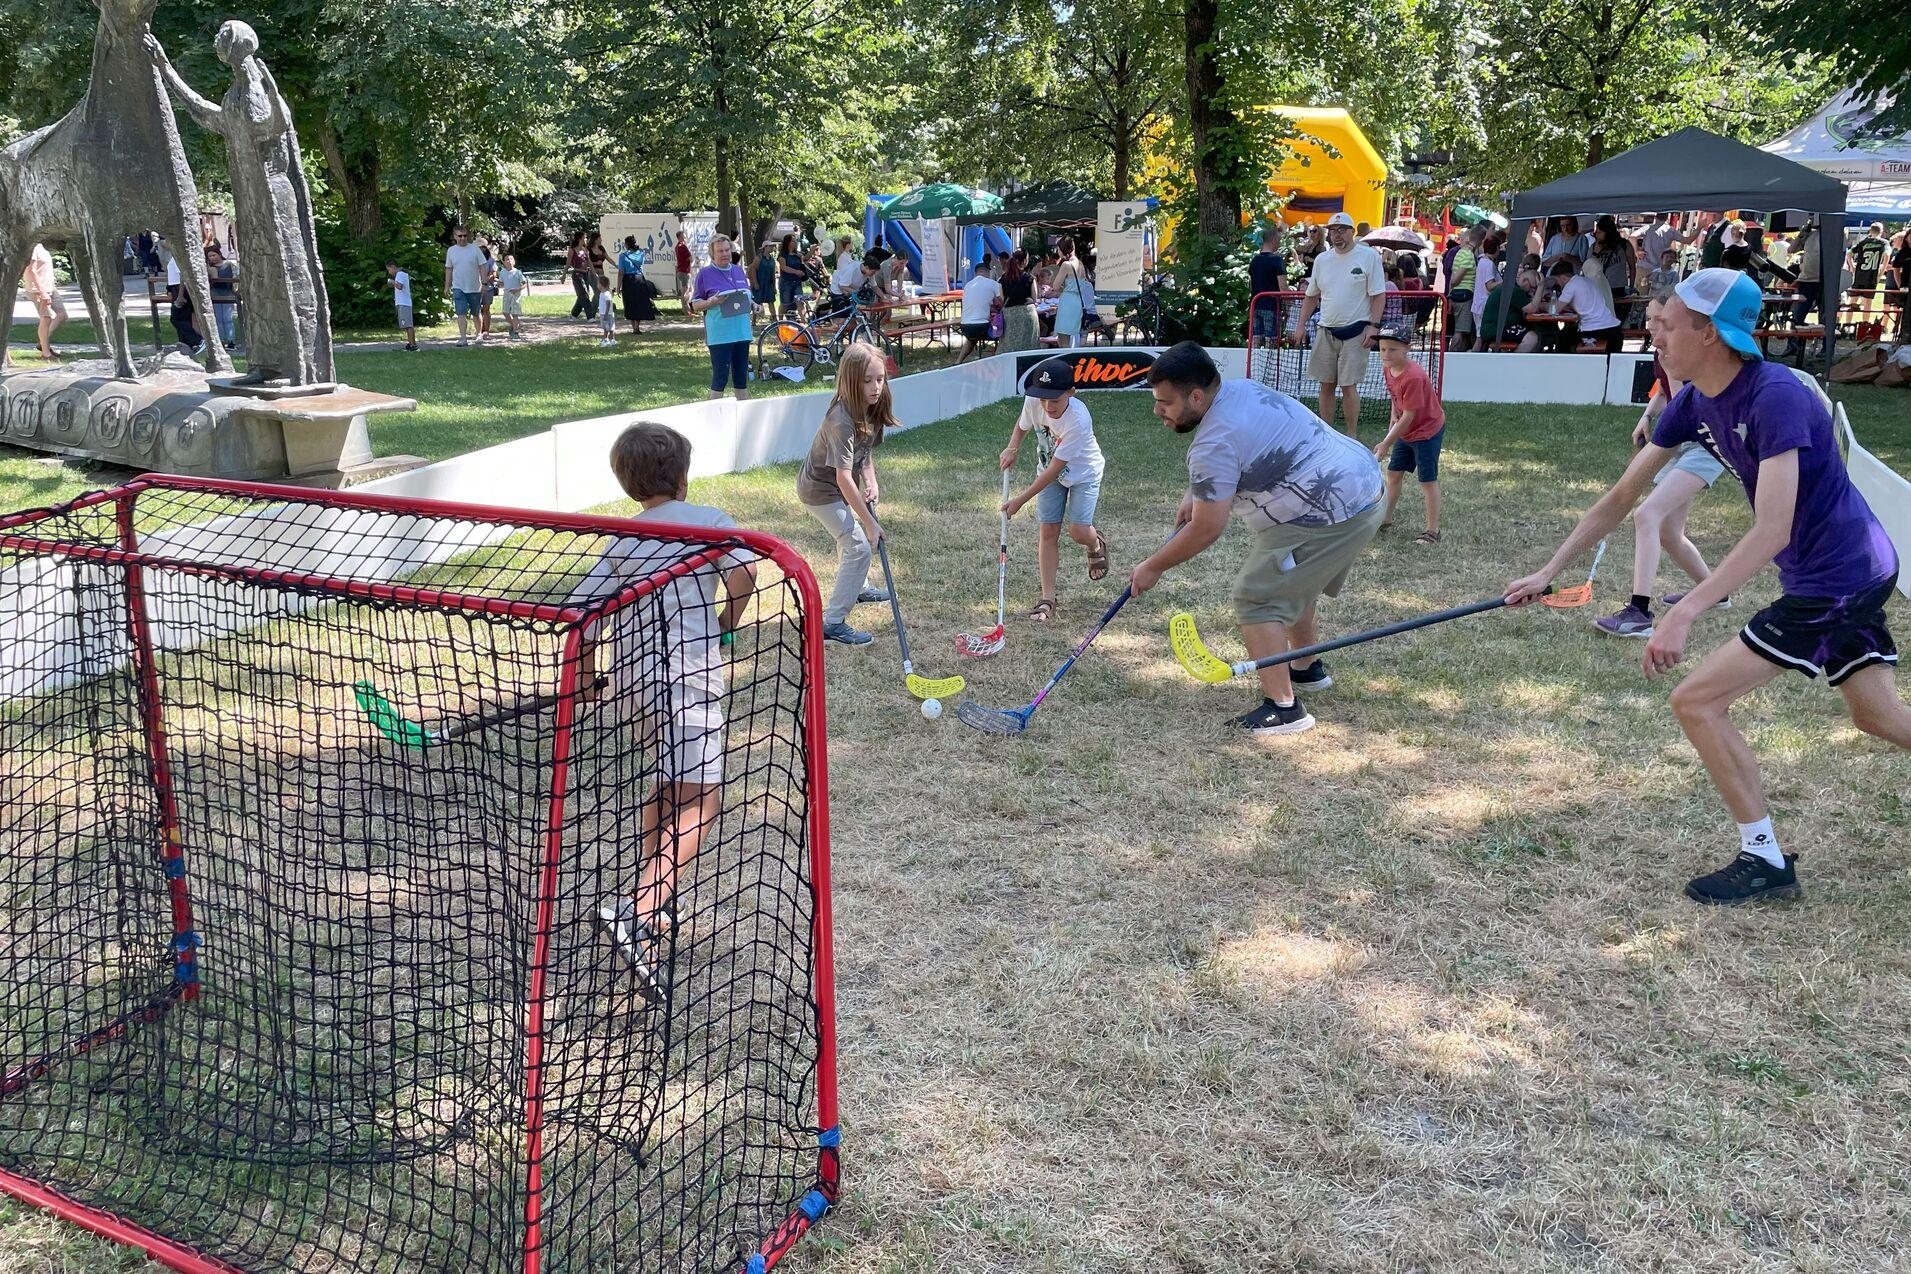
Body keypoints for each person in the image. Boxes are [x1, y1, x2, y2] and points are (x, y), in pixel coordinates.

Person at [1506, 268, 1907, 905]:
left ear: (1711, 333)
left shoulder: (1774, 395)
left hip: (1839, 575)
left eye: (1669, 325)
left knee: (1696, 701)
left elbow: (1774, 527)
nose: (1655, 334)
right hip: (1837, 569)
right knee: (1876, 715)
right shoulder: (1694, 400)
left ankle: (1764, 861)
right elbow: (1622, 497)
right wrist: (1549, 572)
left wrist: (1686, 609)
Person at [579, 421, 757, 1003]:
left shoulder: (619, 539)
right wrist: (728, 619)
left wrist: (583, 682)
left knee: (664, 786)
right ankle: (639, 908)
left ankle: (649, 922)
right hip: (689, 683)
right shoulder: (708, 521)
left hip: (635, 688)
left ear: (629, 485)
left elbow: (583, 620)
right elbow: (745, 571)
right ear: (682, 475)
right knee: (703, 798)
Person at [1130, 342, 1386, 736]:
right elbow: (1237, 455)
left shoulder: (1213, 442)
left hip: (1331, 510)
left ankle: (1285, 709)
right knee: (1294, 580)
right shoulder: (1241, 390)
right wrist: (1196, 492)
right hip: (1362, 483)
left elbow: (1207, 528)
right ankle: (1305, 668)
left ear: (1196, 396)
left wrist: (1153, 566)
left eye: (1165, 402)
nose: (1157, 411)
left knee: (1258, 595)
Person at [1593, 298, 1727, 638]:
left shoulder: (1676, 354)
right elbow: (1665, 393)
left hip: (1701, 444)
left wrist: (1655, 453)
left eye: (1661, 320)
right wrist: (1647, 415)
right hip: (1686, 442)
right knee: (1668, 532)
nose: (1653, 326)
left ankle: (1638, 613)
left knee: (1647, 515)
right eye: (1652, 319)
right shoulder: (1662, 352)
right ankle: (1715, 592)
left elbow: (1684, 404)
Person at [797, 341, 895, 645]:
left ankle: (860, 588)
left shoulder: (875, 405)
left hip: (840, 485)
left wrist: (872, 482)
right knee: (858, 546)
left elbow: (864, 454)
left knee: (850, 539)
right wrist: (869, 522)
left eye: (879, 379)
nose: (875, 386)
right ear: (851, 381)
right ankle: (832, 623)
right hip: (819, 489)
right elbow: (841, 477)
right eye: (867, 381)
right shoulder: (841, 419)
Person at [998, 358, 1108, 619]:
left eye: (1055, 401)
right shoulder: (1035, 401)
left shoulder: (1078, 420)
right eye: (1043, 400)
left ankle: (1095, 543)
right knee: (1048, 531)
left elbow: (1055, 470)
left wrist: (1020, 500)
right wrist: (1012, 448)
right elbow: (1022, 425)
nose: (1048, 406)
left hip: (1083, 474)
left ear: (1071, 392)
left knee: (1078, 531)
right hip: (1049, 471)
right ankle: (1047, 599)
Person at [1293, 211, 1386, 438]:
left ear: (1352, 232)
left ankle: (1351, 436)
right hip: (1326, 329)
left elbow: (1378, 295)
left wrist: (1373, 326)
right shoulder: (1323, 260)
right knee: (1325, 384)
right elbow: (1311, 296)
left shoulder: (1368, 257)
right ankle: (1327, 434)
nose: (1337, 235)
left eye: (1342, 230)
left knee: (1348, 385)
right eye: (1333, 230)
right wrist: (1300, 324)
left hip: (1357, 330)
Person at [1372, 325, 1446, 544]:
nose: (1386, 354)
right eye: (1383, 349)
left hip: (1426, 432)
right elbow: (1396, 401)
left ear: (1407, 349)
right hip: (1407, 431)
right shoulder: (1388, 367)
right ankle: (1385, 518)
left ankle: (1433, 531)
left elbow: (1409, 417)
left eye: (1392, 350)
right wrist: (1392, 419)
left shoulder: (1413, 377)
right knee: (1394, 473)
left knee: (1427, 480)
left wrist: (1386, 443)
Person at [689, 234, 753, 401]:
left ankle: (744, 417)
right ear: (712, 254)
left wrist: (755, 305)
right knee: (720, 377)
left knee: (741, 378)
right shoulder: (705, 274)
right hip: (720, 335)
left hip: (742, 333)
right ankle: (714, 415)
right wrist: (711, 301)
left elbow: (746, 297)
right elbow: (695, 304)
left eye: (727, 250)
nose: (725, 254)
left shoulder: (738, 271)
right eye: (720, 251)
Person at [1545, 258, 1622, 353]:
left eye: (1557, 281)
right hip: (1614, 329)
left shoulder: (1571, 285)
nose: (1558, 284)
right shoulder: (1588, 281)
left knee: (1563, 338)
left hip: (1595, 331)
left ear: (1563, 278)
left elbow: (1554, 310)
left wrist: (1542, 305)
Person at [22, 243, 67, 360]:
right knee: (46, 318)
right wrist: (42, 292)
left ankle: (42, 342)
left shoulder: (44, 246)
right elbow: (31, 270)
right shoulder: (33, 247)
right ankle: (46, 354)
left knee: (62, 314)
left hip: (50, 288)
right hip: (37, 290)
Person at [442, 226, 485, 346]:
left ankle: (478, 334)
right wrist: (447, 286)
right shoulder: (451, 251)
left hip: (474, 287)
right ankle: (463, 338)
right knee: (461, 313)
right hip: (458, 287)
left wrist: (484, 282)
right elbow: (449, 269)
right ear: (455, 236)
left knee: (476, 313)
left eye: (465, 235)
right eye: (460, 236)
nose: (462, 238)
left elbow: (482, 266)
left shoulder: (475, 249)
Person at [1248, 229, 1289, 348]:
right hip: (1271, 306)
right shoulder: (1277, 261)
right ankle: (1268, 365)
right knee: (1271, 341)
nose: (1280, 243)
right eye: (1279, 241)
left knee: (1255, 339)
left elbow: (1252, 284)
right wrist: (1287, 308)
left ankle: (1254, 365)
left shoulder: (1254, 261)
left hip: (1255, 305)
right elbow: (1283, 287)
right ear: (1274, 240)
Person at [956, 256, 1001, 363]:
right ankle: (997, 359)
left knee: (972, 338)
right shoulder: (993, 284)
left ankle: (958, 361)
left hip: (965, 327)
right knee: (1002, 332)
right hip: (982, 327)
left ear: (976, 273)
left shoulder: (967, 285)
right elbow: (1001, 302)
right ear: (988, 272)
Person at [1445, 224, 1482, 352]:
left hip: (1456, 295)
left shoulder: (1460, 253)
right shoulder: (1468, 256)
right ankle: (1453, 355)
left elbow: (1451, 280)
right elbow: (1455, 279)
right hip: (1464, 296)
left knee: (1463, 330)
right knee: (1460, 331)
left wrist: (1449, 296)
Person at [1048, 235, 1090, 349]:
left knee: (1063, 340)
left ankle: (1066, 363)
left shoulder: (1066, 265)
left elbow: (1056, 286)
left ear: (1063, 249)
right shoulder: (1080, 264)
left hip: (1067, 302)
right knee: (1073, 336)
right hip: (1077, 302)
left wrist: (1050, 289)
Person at [998, 250, 1038, 353]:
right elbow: (1034, 298)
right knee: (1029, 343)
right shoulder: (1030, 278)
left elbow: (1002, 298)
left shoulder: (1002, 279)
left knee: (1010, 343)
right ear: (1025, 261)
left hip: (1010, 314)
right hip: (1027, 312)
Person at [1849, 221, 1890, 317]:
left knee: (1853, 301)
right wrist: (1882, 270)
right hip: (1872, 276)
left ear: (1870, 231)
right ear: (1881, 231)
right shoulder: (1884, 242)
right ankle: (1865, 324)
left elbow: (1849, 253)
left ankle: (1847, 324)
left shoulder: (1863, 242)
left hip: (1859, 275)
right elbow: (1887, 254)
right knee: (1868, 303)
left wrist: (1852, 266)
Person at [206, 244, 240, 349]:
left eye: (214, 255)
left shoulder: (229, 265)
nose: (212, 258)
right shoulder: (209, 268)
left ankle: (231, 340)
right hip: (215, 294)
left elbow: (236, 277)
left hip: (227, 294)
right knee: (218, 319)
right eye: (210, 256)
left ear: (219, 254)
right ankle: (221, 340)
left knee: (227, 318)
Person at [383, 259, 416, 350]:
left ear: (393, 267)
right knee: (406, 325)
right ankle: (410, 343)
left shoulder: (400, 274)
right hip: (402, 303)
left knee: (408, 325)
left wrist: (391, 281)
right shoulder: (401, 275)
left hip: (404, 303)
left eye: (389, 270)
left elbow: (400, 286)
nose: (389, 272)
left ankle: (413, 345)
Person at [828, 235, 862, 310]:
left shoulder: (846, 256)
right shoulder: (844, 257)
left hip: (843, 286)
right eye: (851, 243)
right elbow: (844, 273)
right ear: (848, 245)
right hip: (840, 288)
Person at [497, 253, 527, 339]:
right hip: (507, 294)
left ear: (514, 262)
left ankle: (515, 332)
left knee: (515, 313)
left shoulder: (517, 272)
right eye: (507, 259)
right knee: (505, 312)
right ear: (504, 262)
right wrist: (499, 284)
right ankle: (514, 325)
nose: (509, 261)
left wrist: (517, 289)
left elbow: (524, 284)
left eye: (511, 259)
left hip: (516, 295)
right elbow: (501, 283)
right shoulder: (502, 272)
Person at [777, 232, 806, 317]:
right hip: (786, 282)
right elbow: (783, 267)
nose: (795, 242)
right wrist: (796, 271)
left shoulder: (797, 255)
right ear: (788, 243)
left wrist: (809, 253)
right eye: (793, 241)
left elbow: (805, 260)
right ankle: (780, 322)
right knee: (785, 303)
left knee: (800, 302)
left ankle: (804, 322)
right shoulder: (782, 255)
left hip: (797, 282)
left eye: (795, 241)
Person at [567, 231, 594, 320]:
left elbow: (589, 262)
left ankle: (574, 314)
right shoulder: (572, 250)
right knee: (584, 294)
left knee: (582, 295)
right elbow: (567, 264)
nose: (586, 240)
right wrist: (563, 275)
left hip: (586, 274)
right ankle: (590, 316)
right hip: (577, 274)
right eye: (584, 238)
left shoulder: (585, 250)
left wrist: (594, 273)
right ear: (580, 239)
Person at [477, 240, 498, 339]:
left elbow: (493, 273)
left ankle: (486, 331)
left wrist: (485, 280)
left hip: (488, 288)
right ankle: (479, 331)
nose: (481, 249)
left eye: (482, 247)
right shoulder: (474, 259)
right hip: (476, 288)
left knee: (486, 310)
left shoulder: (491, 260)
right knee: (477, 311)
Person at [673, 230, 694, 314]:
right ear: (681, 237)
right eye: (684, 235)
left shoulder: (677, 246)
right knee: (687, 291)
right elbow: (690, 259)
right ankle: (686, 310)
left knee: (685, 290)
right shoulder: (683, 247)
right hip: (685, 271)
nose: (685, 236)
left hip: (680, 270)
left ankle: (686, 309)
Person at [596, 272, 616, 347]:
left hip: (607, 314)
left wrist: (606, 313)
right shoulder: (602, 293)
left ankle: (607, 339)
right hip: (603, 313)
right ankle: (609, 339)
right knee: (606, 327)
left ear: (601, 284)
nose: (597, 285)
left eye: (598, 283)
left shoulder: (606, 294)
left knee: (608, 328)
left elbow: (608, 303)